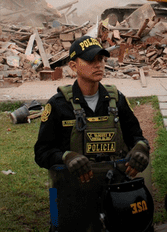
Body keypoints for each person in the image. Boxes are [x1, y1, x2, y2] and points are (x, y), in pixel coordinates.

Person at [34, 36, 150, 230]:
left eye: (101, 60)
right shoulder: (58, 105)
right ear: (73, 65)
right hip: (70, 196)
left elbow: (137, 137)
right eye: (90, 60)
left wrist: (141, 148)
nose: (98, 65)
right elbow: (41, 153)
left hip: (116, 193)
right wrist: (65, 157)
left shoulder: (117, 100)